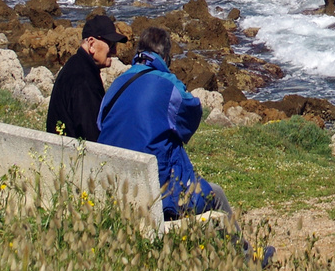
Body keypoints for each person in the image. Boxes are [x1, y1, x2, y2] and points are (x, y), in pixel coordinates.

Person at [95, 26, 233, 222]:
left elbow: (101, 124)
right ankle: (242, 252)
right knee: (215, 194)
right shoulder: (168, 84)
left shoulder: (117, 84)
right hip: (158, 193)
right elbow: (192, 113)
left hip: (113, 185)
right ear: (166, 57)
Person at [44, 13, 126, 141]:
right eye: (111, 45)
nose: (114, 51)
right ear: (92, 44)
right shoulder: (84, 80)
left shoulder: (75, 65)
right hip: (73, 156)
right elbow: (91, 134)